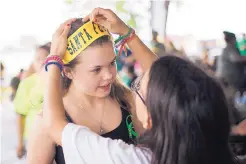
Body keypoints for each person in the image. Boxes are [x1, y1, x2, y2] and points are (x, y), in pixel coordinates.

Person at [42, 8, 241, 164]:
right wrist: (129, 35)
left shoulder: (135, 158)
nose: (110, 75)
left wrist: (53, 60)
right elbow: (170, 84)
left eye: (138, 87)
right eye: (96, 69)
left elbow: (55, 126)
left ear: (148, 120)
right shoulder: (203, 148)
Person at [27, 18, 146, 164]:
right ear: (68, 72)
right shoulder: (46, 121)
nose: (109, 75)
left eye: (112, 63)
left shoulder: (128, 100)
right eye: (96, 69)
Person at [14, 42, 51, 159]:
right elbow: (21, 114)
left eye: (45, 58)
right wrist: (20, 143)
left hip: (55, 138)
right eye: (37, 59)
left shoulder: (60, 81)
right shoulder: (27, 83)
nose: (41, 62)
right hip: (33, 138)